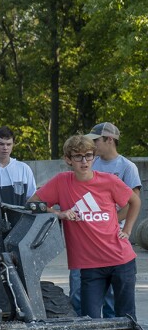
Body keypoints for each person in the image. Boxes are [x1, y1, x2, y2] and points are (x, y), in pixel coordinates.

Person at [30, 135, 139, 320]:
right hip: (90, 265)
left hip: (121, 260)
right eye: (78, 156)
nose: (84, 161)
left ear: (94, 157)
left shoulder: (109, 181)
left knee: (126, 319)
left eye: (88, 156)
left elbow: (134, 201)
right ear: (68, 159)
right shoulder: (62, 182)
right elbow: (33, 203)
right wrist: (59, 214)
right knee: (90, 319)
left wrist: (127, 230)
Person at [66, 122, 143, 318]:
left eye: (96, 140)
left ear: (109, 140)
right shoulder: (92, 162)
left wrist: (114, 224)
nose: (92, 145)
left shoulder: (127, 167)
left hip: (113, 238)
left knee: (112, 299)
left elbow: (132, 202)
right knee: (79, 290)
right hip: (87, 241)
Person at [0, 126, 36, 206]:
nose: (5, 148)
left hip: (20, 217)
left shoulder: (23, 168)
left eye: (8, 144)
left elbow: (32, 198)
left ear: (13, 144)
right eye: (1, 144)